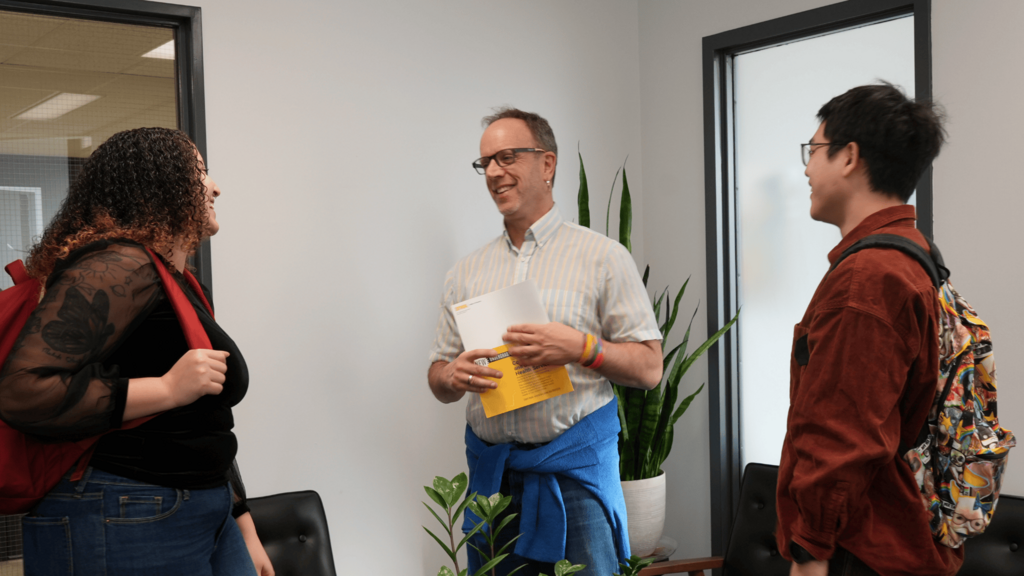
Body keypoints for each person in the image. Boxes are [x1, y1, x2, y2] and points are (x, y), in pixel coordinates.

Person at [0, 128, 273, 576]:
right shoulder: (119, 266)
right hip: (124, 508)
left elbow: (204, 416)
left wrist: (242, 522)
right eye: (200, 173)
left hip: (203, 507)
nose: (216, 187)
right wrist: (166, 389)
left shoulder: (178, 282)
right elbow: (23, 390)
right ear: (161, 185)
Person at [427, 108, 663, 576]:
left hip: (575, 484)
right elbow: (438, 375)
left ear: (548, 165)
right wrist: (452, 376)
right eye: (486, 162)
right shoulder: (466, 273)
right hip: (493, 481)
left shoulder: (603, 258)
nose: (494, 172)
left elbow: (650, 368)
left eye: (507, 157)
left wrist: (579, 347)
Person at [776, 84, 962, 576]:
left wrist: (810, 553)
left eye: (813, 150)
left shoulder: (867, 279)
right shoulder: (914, 254)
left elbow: (843, 435)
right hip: (894, 535)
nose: (806, 167)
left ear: (849, 156)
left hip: (859, 549)